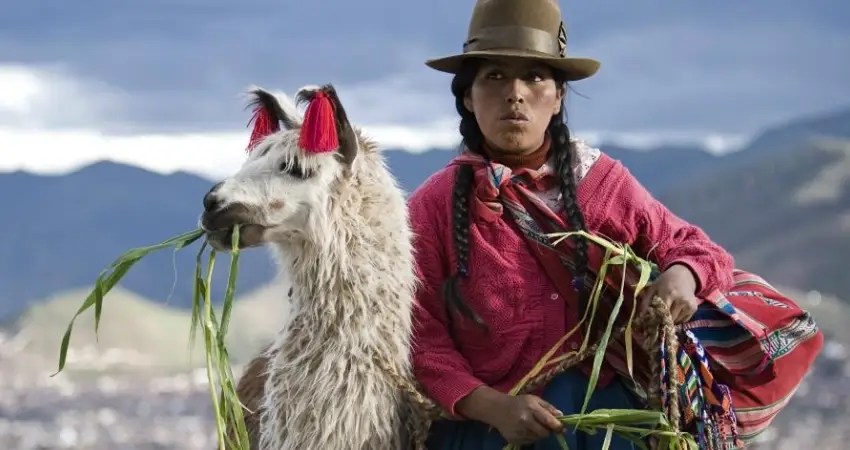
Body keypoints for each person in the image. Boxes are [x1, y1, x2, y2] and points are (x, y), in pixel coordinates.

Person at [406, 0, 824, 449]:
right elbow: (421, 339)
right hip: (492, 433)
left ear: (559, 95)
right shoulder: (434, 207)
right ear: (468, 96)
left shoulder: (600, 183)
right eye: (494, 77)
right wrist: (494, 407)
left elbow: (695, 248)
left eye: (535, 76)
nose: (515, 93)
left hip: (612, 426)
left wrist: (680, 278)